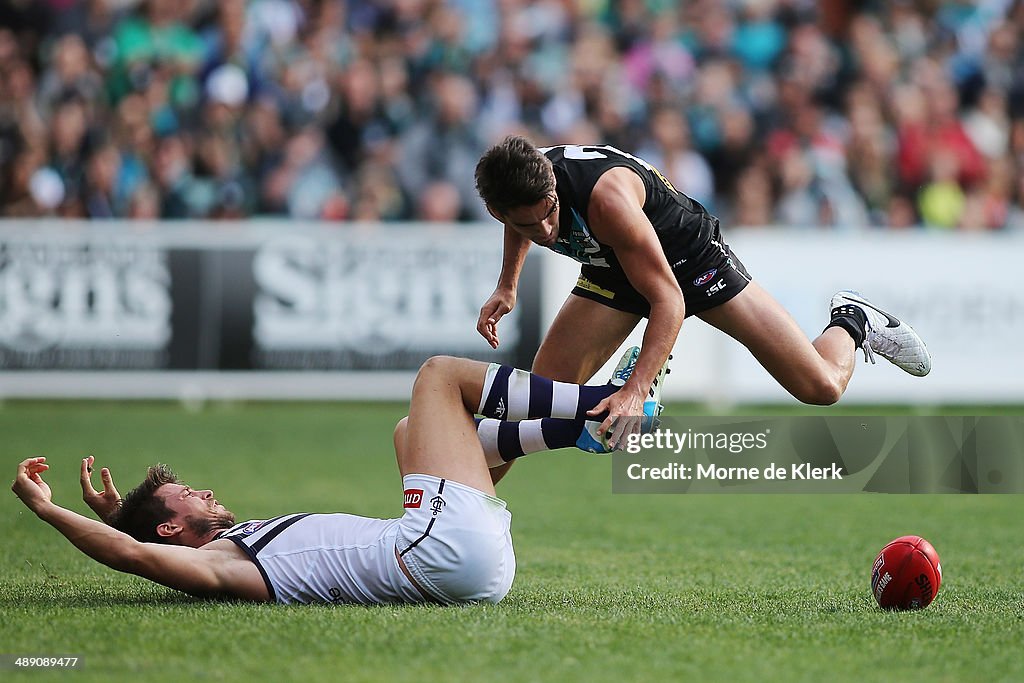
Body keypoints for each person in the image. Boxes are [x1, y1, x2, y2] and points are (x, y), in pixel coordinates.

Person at [11, 352, 662, 606]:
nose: (203, 490)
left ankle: (579, 431)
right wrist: (47, 510)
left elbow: (136, 534)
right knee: (437, 376)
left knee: (410, 433)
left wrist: (113, 510)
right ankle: (604, 400)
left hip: (463, 564)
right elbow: (134, 552)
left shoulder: (224, 542)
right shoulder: (220, 567)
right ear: (173, 526)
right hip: (441, 553)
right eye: (188, 494)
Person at [474, 137, 931, 476]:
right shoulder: (525, 185)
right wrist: (507, 284)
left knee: (821, 387)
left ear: (553, 187)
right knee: (527, 406)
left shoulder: (606, 199)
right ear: (499, 215)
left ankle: (853, 321)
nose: (548, 228)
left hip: (692, 263)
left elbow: (667, 298)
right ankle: (460, 513)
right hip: (613, 268)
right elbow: (526, 217)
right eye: (529, 224)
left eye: (550, 212)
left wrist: (636, 389)